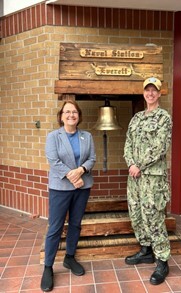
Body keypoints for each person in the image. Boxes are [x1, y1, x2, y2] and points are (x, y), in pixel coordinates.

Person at [41, 100, 96, 292]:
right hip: (60, 188)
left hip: (82, 188)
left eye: (74, 112)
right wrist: (74, 178)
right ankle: (48, 267)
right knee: (55, 227)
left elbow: (92, 159)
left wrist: (81, 170)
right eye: (67, 112)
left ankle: (69, 257)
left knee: (75, 224)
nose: (71, 115)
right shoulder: (53, 136)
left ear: (78, 115)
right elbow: (53, 161)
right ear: (61, 116)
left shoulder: (87, 136)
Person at [123, 77, 172, 285]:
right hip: (134, 177)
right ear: (143, 93)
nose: (150, 93)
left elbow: (160, 147)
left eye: (154, 90)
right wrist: (131, 164)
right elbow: (128, 143)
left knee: (154, 216)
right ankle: (146, 250)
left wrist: (138, 165)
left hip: (152, 178)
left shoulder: (164, 118)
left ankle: (162, 259)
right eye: (147, 90)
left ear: (159, 94)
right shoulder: (136, 118)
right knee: (136, 213)